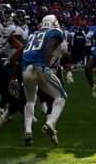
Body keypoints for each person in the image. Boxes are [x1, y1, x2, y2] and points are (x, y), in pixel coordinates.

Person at [19, 14, 68, 145]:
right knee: (61, 96)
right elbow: (49, 47)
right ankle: (50, 123)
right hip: (39, 68)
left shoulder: (32, 35)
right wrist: (44, 66)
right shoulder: (55, 32)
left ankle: (28, 131)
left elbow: (24, 53)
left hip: (25, 69)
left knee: (30, 101)